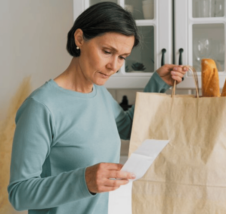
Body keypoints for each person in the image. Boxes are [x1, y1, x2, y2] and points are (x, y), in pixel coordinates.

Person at [8, 2, 187, 214]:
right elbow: (19, 194)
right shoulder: (41, 107)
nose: (114, 66)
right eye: (107, 51)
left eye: (122, 57)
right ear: (80, 39)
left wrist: (157, 83)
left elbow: (128, 127)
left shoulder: (99, 93)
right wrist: (84, 180)